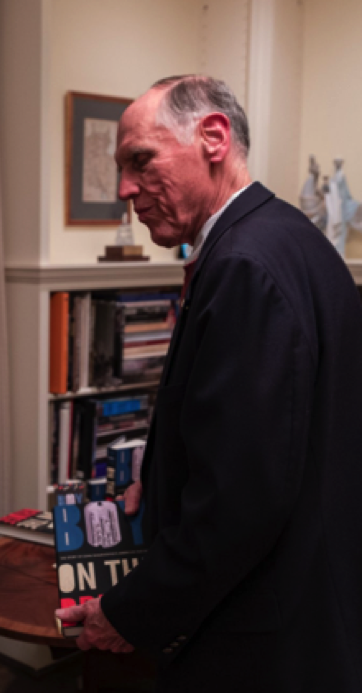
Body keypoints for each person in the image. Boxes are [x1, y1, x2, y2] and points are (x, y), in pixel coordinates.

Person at [56, 75, 362, 692]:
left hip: (265, 638)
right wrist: (161, 473)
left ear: (213, 138)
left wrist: (129, 613)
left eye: (141, 161)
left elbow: (240, 501)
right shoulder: (283, 238)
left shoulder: (245, 266)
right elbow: (261, 437)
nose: (124, 190)